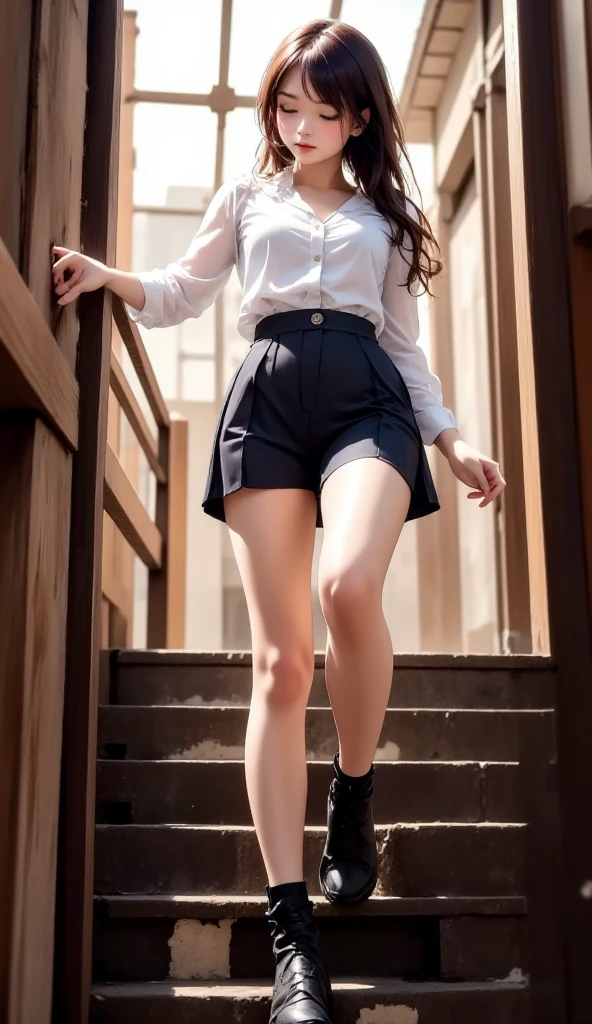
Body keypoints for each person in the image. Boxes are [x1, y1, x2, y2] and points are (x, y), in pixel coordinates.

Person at [52, 18, 506, 1024]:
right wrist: (105, 275)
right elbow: (181, 291)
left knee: (348, 586)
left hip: (366, 405)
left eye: (322, 109)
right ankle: (293, 942)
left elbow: (405, 345)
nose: (298, 124)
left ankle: (350, 787)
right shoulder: (246, 196)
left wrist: (452, 440)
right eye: (285, 105)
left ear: (358, 117)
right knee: (279, 664)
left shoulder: (385, 215)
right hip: (266, 406)